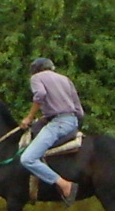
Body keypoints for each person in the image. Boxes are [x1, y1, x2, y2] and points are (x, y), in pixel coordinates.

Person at [19, 57, 83, 202]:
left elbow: (40, 95)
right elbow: (79, 109)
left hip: (58, 123)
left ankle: (64, 184)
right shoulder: (65, 79)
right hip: (71, 121)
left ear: (35, 70)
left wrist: (29, 118)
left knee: (28, 158)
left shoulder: (36, 78)